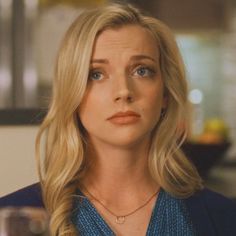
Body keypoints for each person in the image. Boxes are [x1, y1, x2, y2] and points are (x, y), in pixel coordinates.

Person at [1, 3, 236, 236]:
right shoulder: (13, 217)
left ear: (164, 93)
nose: (123, 91)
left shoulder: (224, 218)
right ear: (73, 93)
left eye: (142, 70)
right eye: (96, 74)